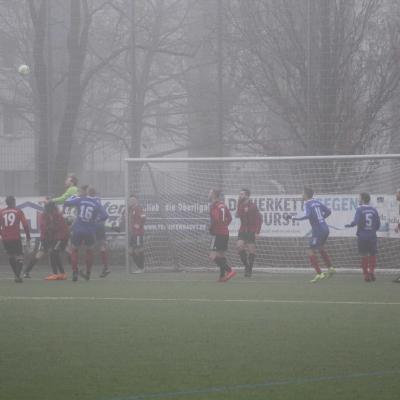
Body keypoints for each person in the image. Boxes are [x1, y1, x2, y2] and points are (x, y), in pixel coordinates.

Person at [286, 187, 335, 283]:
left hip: (318, 230)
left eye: (302, 193)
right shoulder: (317, 202)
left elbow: (306, 215)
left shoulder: (308, 204)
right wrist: (321, 219)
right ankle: (330, 268)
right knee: (320, 248)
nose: (301, 195)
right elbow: (329, 211)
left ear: (306, 195)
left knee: (310, 250)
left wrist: (291, 217)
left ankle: (319, 273)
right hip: (325, 229)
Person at [64, 185, 108, 282]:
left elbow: (66, 203)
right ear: (95, 194)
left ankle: (75, 272)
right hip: (90, 230)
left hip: (78, 229)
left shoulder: (80, 199)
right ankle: (88, 273)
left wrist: (74, 196)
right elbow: (105, 215)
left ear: (87, 192)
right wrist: (96, 220)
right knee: (89, 251)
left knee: (74, 250)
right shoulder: (97, 203)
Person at [23, 201, 70, 280]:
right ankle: (26, 271)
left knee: (53, 252)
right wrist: (48, 230)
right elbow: (44, 227)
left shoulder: (57, 215)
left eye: (49, 208)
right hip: (46, 238)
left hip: (59, 238)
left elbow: (60, 228)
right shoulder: (44, 215)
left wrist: (53, 229)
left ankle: (55, 274)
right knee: (42, 254)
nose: (47, 209)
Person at [345, 193, 380, 282]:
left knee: (364, 255)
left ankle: (366, 275)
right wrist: (372, 230)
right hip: (372, 236)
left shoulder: (359, 209)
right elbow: (378, 224)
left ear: (363, 200)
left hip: (362, 236)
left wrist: (350, 225)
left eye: (359, 198)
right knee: (373, 254)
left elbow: (355, 221)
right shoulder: (374, 210)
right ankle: (371, 271)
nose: (358, 200)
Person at [0, 196, 31, 283]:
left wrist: (2, 234)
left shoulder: (1, 212)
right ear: (13, 202)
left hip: (5, 238)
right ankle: (17, 275)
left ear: (6, 203)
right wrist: (28, 237)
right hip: (16, 237)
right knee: (20, 256)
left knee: (11, 256)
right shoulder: (18, 211)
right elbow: (25, 225)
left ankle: (16, 275)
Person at [209, 189, 236, 282]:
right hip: (225, 233)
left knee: (212, 256)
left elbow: (216, 219)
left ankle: (230, 270)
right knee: (221, 255)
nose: (208, 194)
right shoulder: (223, 205)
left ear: (213, 195)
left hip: (218, 233)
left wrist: (212, 228)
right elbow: (230, 218)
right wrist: (224, 226)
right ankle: (222, 277)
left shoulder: (214, 206)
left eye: (210, 192)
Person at [235, 188, 263, 277]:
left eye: (242, 194)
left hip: (251, 231)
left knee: (252, 251)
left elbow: (259, 219)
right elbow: (237, 215)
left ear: (247, 196)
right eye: (240, 194)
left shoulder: (253, 206)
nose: (240, 196)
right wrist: (239, 206)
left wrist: (257, 232)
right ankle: (246, 266)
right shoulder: (240, 205)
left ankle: (249, 269)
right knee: (239, 246)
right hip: (242, 230)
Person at [87, 187, 110, 278]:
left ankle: (88, 271)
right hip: (100, 225)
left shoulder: (87, 200)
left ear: (88, 193)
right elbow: (103, 214)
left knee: (90, 247)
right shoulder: (98, 199)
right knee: (102, 246)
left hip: (93, 225)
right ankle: (106, 267)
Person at [127, 194, 146, 273]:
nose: (130, 202)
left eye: (132, 200)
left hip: (138, 233)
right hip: (132, 233)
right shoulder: (131, 209)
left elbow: (144, 217)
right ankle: (139, 266)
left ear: (136, 201)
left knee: (137, 250)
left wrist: (139, 225)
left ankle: (141, 268)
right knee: (130, 251)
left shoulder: (138, 208)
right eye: (130, 200)